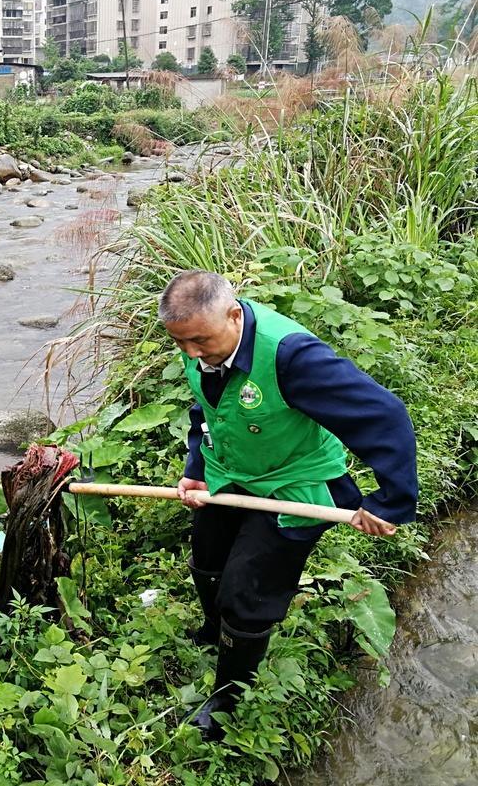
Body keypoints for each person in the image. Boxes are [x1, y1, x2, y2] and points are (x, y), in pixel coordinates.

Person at [160, 270, 417, 740]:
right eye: (181, 344)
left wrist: (392, 501)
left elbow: (385, 415)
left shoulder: (292, 357)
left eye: (199, 340)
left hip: (291, 485)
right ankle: (215, 629)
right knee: (207, 560)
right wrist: (196, 464)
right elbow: (204, 412)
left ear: (234, 316)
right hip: (231, 472)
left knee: (246, 592)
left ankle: (230, 693)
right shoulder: (199, 343)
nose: (192, 354)